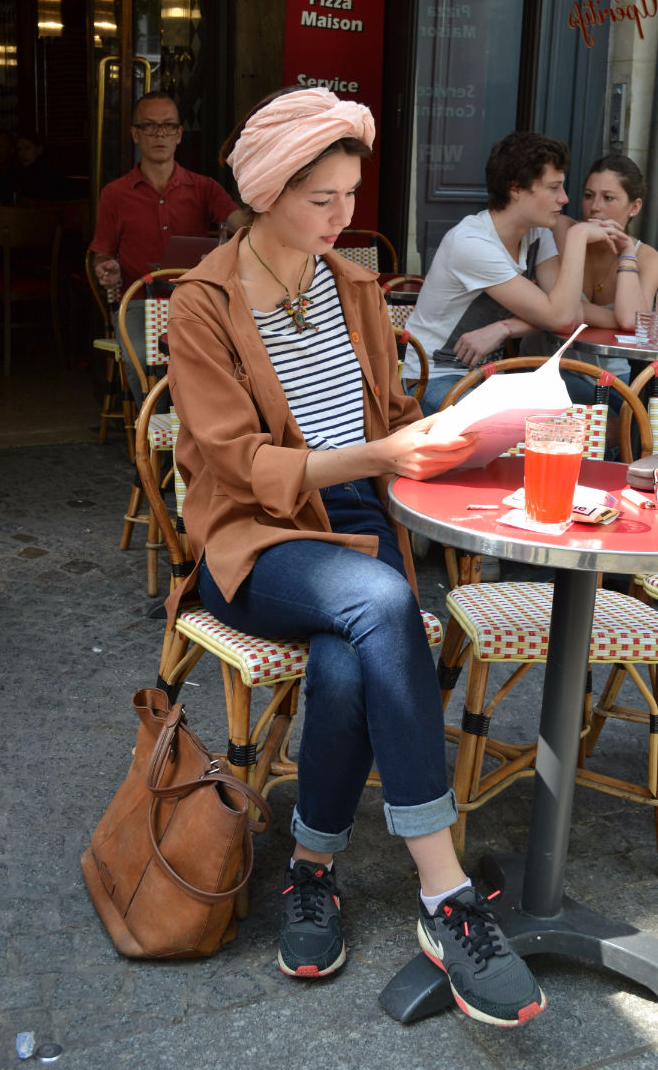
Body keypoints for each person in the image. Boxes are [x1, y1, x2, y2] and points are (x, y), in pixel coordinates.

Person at [163, 86, 548, 1028]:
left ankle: (311, 869)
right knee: (378, 602)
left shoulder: (350, 286)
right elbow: (241, 465)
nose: (342, 220)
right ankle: (445, 893)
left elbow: (392, 423)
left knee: (350, 652)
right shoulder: (203, 305)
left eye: (348, 195)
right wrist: (378, 457)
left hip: (356, 536)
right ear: (262, 192)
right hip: (253, 540)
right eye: (319, 199)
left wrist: (473, 436)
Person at [404, 131, 620, 416]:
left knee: (613, 414)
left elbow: (568, 312)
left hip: (490, 376)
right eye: (554, 188)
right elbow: (562, 317)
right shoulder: (473, 244)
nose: (564, 199)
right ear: (516, 188)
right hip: (435, 379)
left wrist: (506, 328)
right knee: (536, 430)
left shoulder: (537, 233)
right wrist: (578, 237)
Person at [89, 91, 247, 404]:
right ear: (135, 134)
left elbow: (239, 222)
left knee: (227, 359)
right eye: (149, 126)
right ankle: (158, 439)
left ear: (179, 135)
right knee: (142, 362)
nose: (159, 134)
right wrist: (106, 267)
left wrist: (268, 198)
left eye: (168, 126)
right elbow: (102, 252)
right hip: (138, 302)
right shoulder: (115, 194)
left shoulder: (204, 188)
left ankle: (195, 436)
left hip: (197, 301)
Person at [552, 154, 658, 411]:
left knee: (632, 417)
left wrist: (627, 254)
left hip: (616, 378)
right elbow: (553, 311)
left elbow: (632, 321)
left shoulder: (647, 256)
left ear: (635, 207)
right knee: (607, 419)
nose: (595, 207)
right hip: (558, 368)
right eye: (589, 195)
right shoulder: (564, 231)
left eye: (608, 198)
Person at [13, 132, 75, 202]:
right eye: (19, 149)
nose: (22, 153)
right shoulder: (18, 171)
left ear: (39, 149)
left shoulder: (50, 172)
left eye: (27, 148)